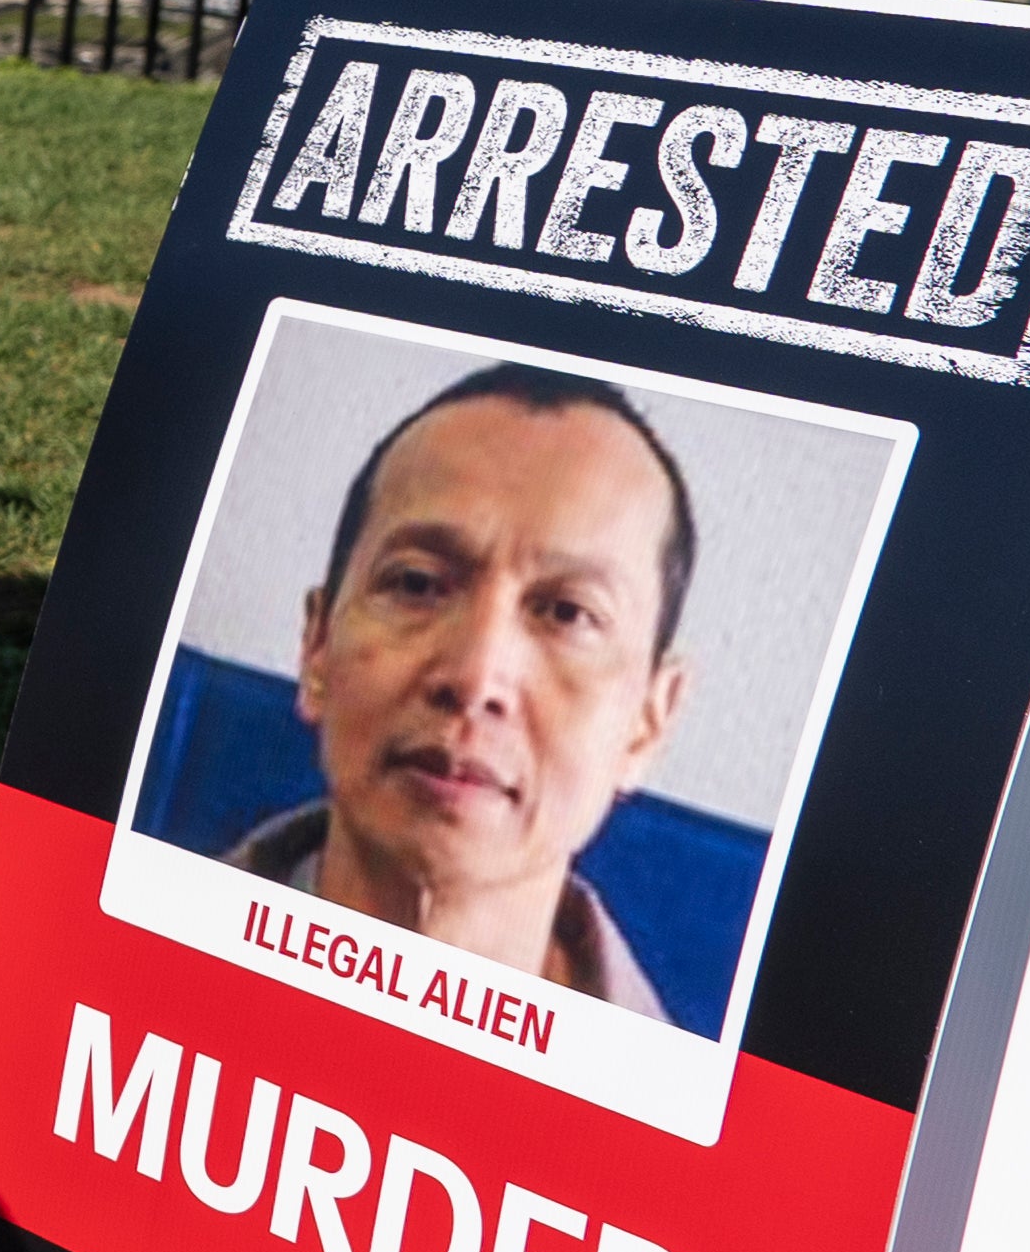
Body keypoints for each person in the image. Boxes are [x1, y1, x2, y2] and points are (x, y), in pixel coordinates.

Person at [226, 362, 697, 1020]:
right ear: (317, 649)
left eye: (566, 612)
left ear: (647, 722)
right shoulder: (103, 943)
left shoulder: (687, 1116)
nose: (476, 677)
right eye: (417, 583)